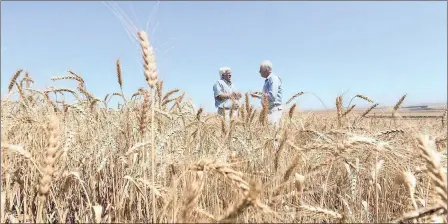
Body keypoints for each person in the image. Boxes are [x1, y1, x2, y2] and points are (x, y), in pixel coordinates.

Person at [250, 60, 283, 127]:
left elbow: (272, 96)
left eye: (260, 70)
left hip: (273, 110)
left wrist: (257, 95)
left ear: (266, 70)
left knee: (273, 133)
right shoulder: (269, 80)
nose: (259, 72)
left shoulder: (273, 79)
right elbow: (268, 94)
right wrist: (258, 94)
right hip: (269, 110)